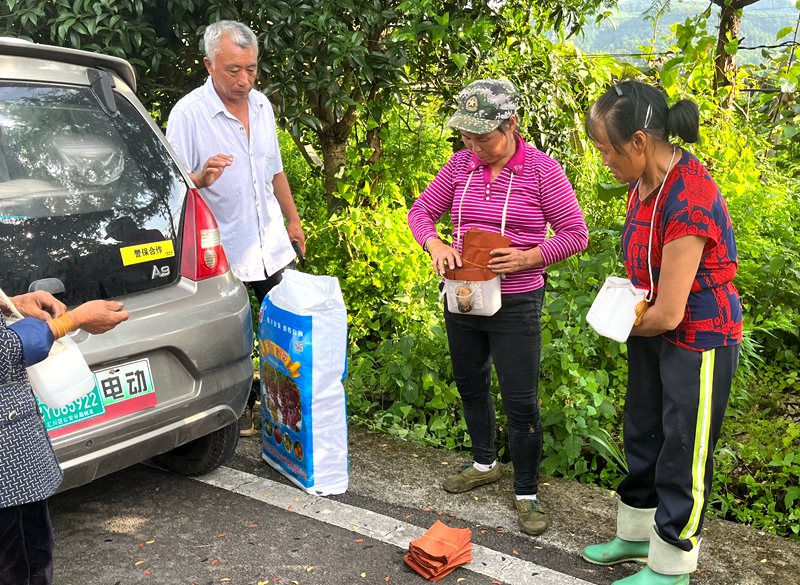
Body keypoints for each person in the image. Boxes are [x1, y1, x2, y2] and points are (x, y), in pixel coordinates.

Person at [408, 79, 588, 536]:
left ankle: (526, 491)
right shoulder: (459, 166)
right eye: (466, 136)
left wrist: (531, 256)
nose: (473, 146)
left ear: (510, 125)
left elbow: (575, 233)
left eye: (482, 137)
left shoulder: (543, 172)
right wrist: (433, 245)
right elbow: (421, 211)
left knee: (520, 400)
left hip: (518, 299)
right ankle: (484, 462)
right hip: (464, 293)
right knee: (470, 384)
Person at [581, 80, 742, 585]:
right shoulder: (643, 183)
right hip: (649, 327)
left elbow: (671, 310)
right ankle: (634, 534)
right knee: (644, 429)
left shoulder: (690, 196)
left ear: (638, 143)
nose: (603, 159)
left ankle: (672, 564)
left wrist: (615, 322)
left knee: (683, 446)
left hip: (698, 337)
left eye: (606, 149)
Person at [166, 20, 305, 437]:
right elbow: (172, 186)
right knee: (234, 335)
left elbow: (273, 170)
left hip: (272, 243)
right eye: (233, 70)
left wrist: (293, 218)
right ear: (209, 65)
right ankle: (239, 406)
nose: (244, 80)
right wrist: (200, 178)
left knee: (286, 327)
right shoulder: (189, 114)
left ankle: (283, 406)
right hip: (223, 249)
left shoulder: (262, 106)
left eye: (251, 69)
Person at [0, 290, 127, 585]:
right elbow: (5, 351)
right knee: (15, 563)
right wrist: (73, 320)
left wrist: (11, 304)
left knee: (33, 545)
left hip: (15, 454)